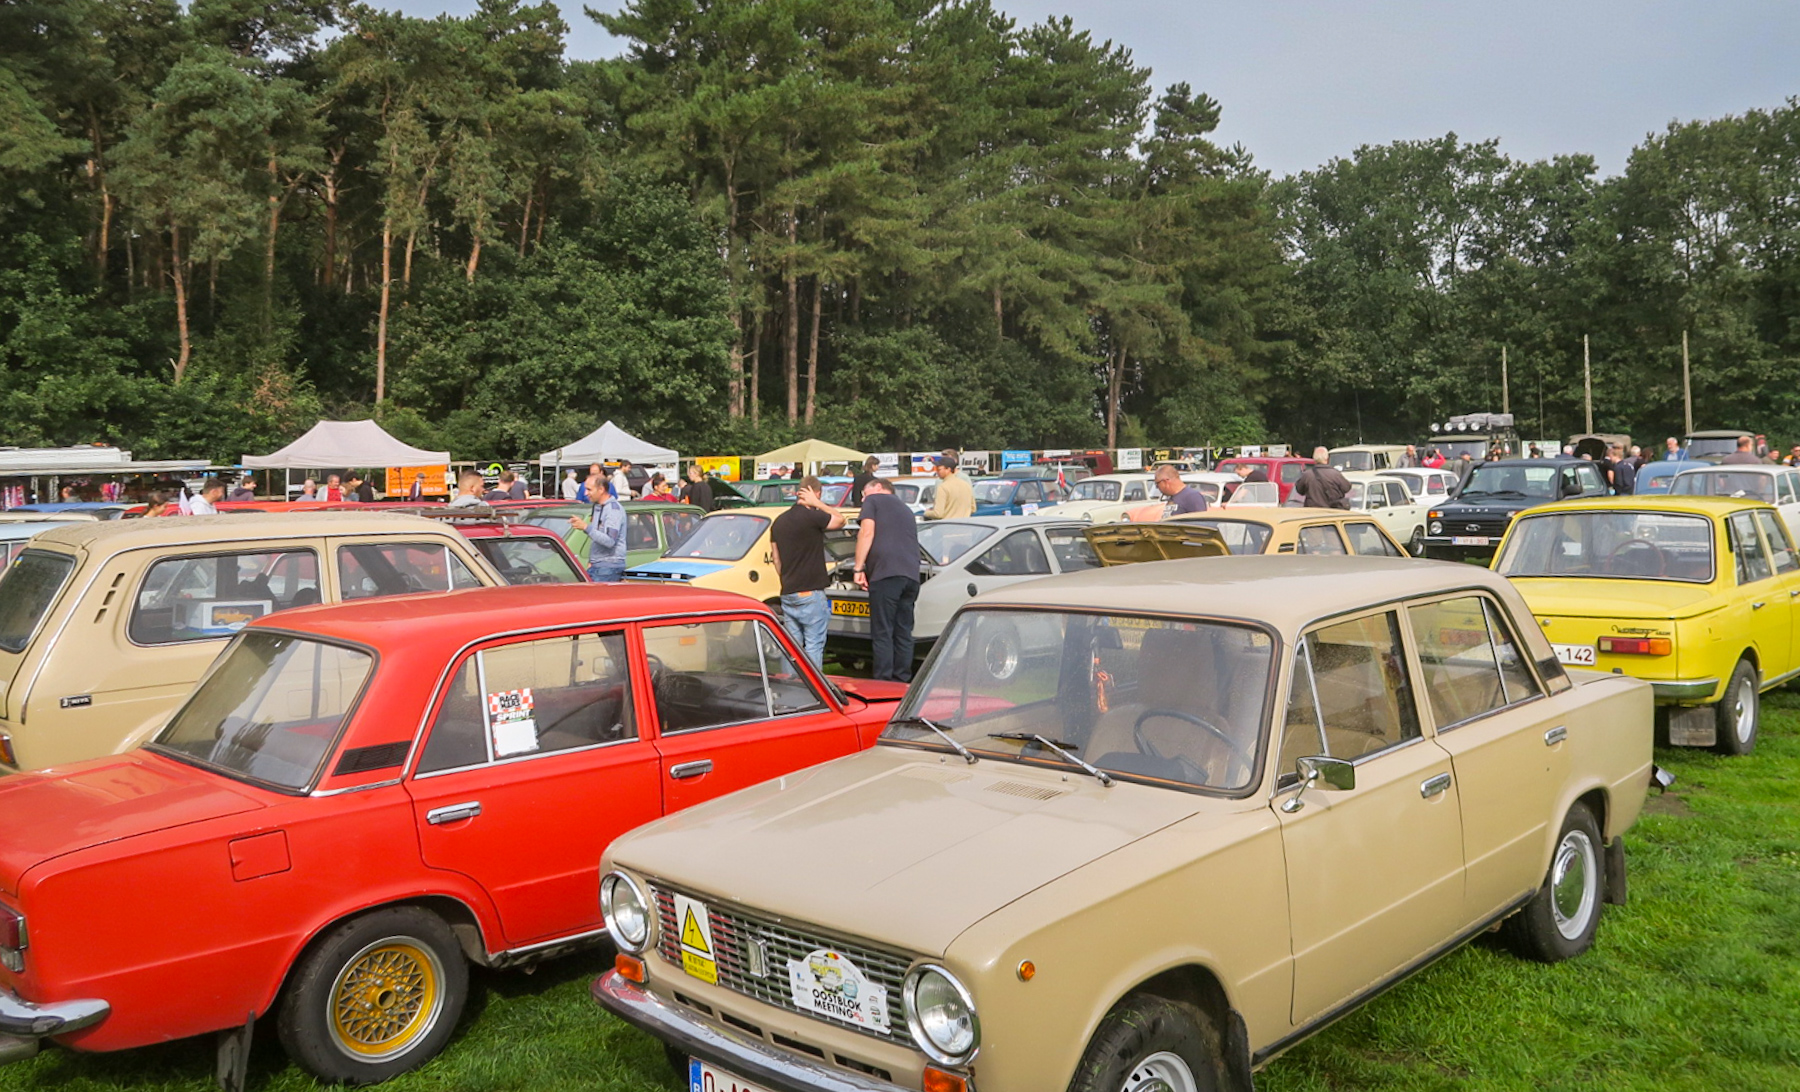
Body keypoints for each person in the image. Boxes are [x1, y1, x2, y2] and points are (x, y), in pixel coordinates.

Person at [770, 477, 847, 667]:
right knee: (813, 645)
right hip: (811, 592)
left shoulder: (778, 522)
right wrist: (818, 504)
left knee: (792, 647)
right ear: (817, 493)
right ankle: (815, 692)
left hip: (788, 592)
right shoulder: (813, 517)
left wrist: (786, 579)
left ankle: (790, 687)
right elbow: (841, 520)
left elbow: (776, 559)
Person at [855, 478, 921, 682]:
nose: (862, 499)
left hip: (886, 573)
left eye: (863, 494)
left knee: (883, 631)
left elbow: (866, 533)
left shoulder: (873, 500)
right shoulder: (906, 509)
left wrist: (858, 568)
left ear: (877, 487)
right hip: (911, 575)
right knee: (903, 631)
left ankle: (883, 682)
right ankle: (902, 680)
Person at [571, 480, 628, 582]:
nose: (585, 493)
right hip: (598, 566)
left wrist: (586, 527)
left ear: (601, 489)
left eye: (589, 489)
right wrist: (591, 561)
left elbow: (610, 541)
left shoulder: (613, 510)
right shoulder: (598, 507)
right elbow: (597, 537)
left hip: (609, 567)